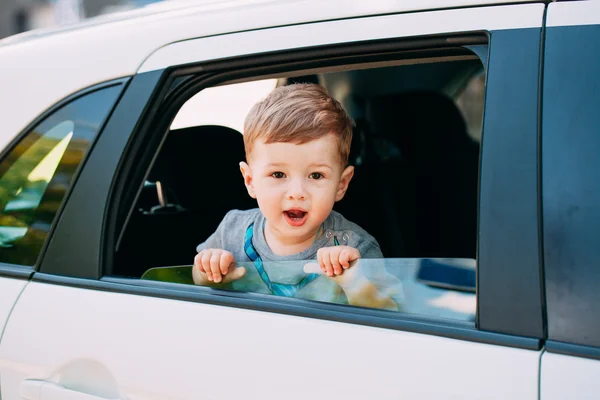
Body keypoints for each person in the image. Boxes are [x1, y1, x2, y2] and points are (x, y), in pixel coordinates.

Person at [192, 83, 383, 298]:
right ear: (250, 180)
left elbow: (391, 311)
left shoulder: (356, 246)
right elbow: (197, 279)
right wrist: (210, 272)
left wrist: (355, 282)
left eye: (316, 175)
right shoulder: (232, 231)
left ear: (341, 184)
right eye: (278, 175)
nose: (297, 192)